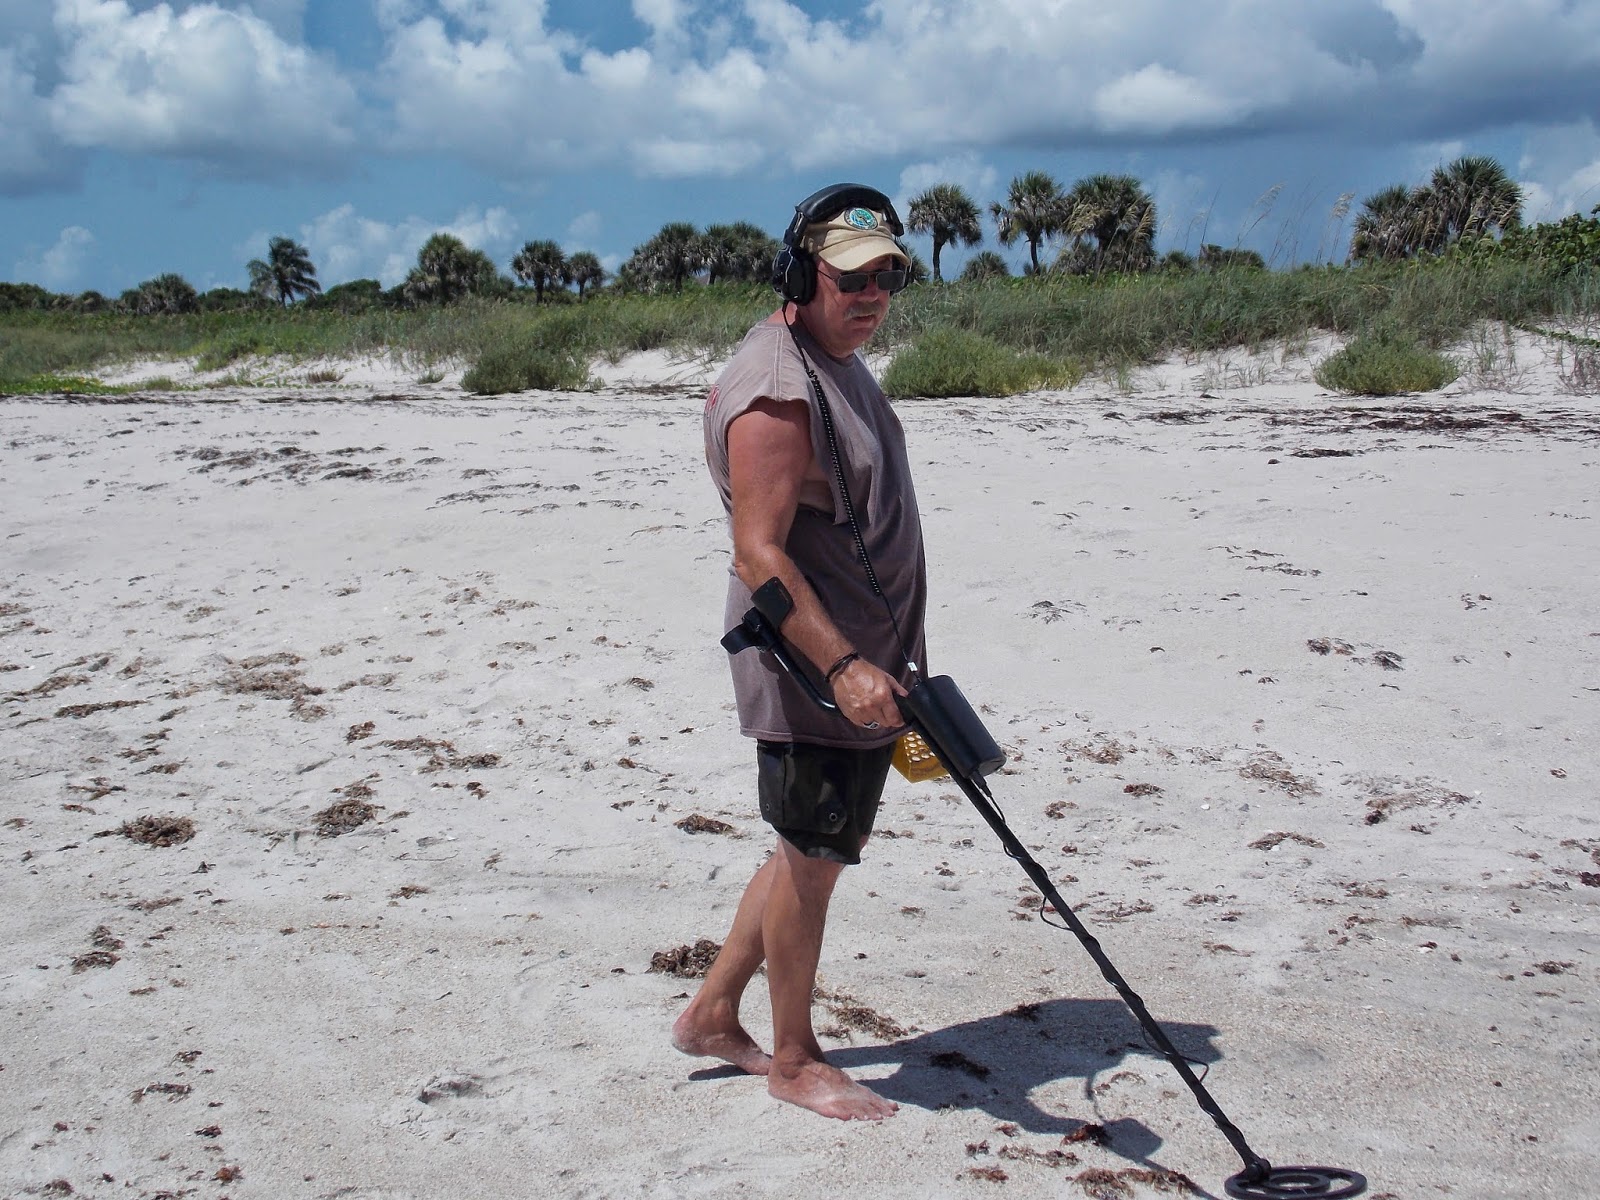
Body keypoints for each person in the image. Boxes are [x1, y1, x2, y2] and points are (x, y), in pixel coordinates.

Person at [673, 184, 927, 1121]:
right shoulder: (777, 387)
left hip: (862, 670)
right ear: (799, 274)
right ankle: (792, 1060)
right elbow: (759, 552)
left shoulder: (834, 357)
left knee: (804, 848)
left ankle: (708, 1014)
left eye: (888, 278)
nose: (872, 297)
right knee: (813, 858)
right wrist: (843, 666)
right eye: (851, 279)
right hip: (814, 674)